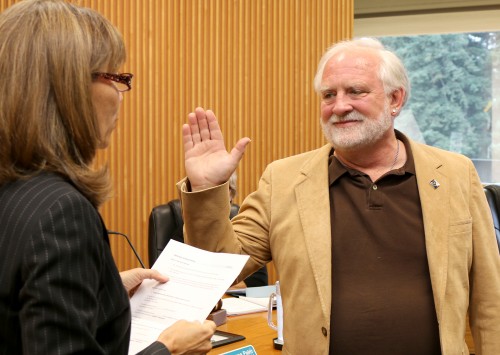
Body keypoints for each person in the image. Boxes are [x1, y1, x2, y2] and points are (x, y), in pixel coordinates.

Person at [178, 37, 500, 354]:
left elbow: (489, 300)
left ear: (395, 100)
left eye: (355, 91)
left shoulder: (456, 174)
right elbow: (216, 269)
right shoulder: (284, 180)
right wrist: (207, 190)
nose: (339, 106)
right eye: (328, 94)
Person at [0, 1, 215, 354]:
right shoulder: (62, 213)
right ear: (69, 88)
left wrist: (104, 290)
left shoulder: (15, 193)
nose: (120, 96)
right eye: (117, 78)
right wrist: (169, 348)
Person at [166, 173, 268, 288]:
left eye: (218, 187)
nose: (210, 194)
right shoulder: (186, 233)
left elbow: (257, 283)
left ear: (230, 193)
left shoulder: (247, 227)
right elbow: (174, 279)